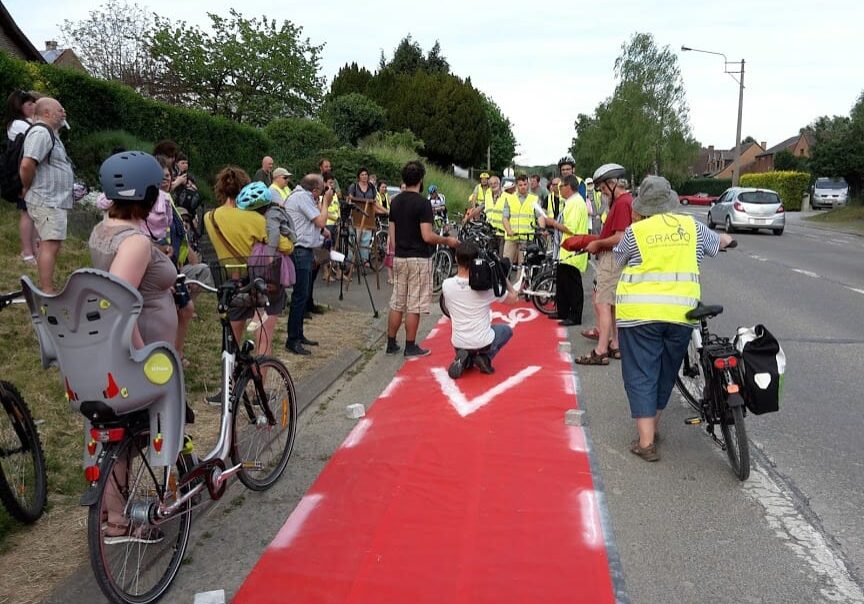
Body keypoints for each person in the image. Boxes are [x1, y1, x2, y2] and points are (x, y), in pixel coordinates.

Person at [615, 176, 733, 462]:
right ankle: (652, 430)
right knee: (666, 372)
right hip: (680, 315)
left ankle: (645, 442)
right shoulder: (692, 227)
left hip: (639, 315)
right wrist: (729, 240)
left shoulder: (636, 232)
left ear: (642, 206)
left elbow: (620, 259)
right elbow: (721, 241)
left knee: (642, 373)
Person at [204, 166, 294, 356]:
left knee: (232, 342)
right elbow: (287, 246)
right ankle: (258, 383)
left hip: (231, 282)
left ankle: (232, 383)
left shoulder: (209, 217)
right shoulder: (255, 218)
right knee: (264, 339)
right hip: (260, 281)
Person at [386, 160, 459, 357]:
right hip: (419, 257)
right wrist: (447, 240)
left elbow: (391, 237)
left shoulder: (396, 202)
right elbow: (427, 236)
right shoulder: (423, 203)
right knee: (414, 304)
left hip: (400, 256)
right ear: (420, 179)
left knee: (397, 301)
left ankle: (391, 343)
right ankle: (410, 346)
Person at [575, 164, 632, 366]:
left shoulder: (623, 203)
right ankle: (615, 344)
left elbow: (620, 236)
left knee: (602, 302)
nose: (602, 192)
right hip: (614, 257)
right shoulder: (621, 202)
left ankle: (601, 350)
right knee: (613, 305)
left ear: (613, 183)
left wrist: (598, 243)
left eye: (603, 188)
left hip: (612, 257)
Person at [19, 97, 74, 293]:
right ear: (47, 113)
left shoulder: (50, 133)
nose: (63, 112)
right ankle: (47, 291)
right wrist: (26, 186)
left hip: (53, 200)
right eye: (60, 110)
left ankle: (47, 287)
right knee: (50, 245)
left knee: (51, 244)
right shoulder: (41, 132)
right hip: (47, 199)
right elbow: (27, 164)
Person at [443, 241, 518, 378]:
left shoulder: (446, 285)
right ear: (477, 260)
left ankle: (465, 360)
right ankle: (485, 358)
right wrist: (501, 275)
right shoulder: (487, 289)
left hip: (458, 341)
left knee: (467, 340)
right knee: (506, 330)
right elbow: (514, 299)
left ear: (455, 258)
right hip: (482, 342)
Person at [284, 174, 331, 355]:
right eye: (321, 190)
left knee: (302, 295)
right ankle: (293, 339)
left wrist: (322, 231)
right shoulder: (302, 197)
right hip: (300, 250)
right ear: (315, 189)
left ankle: (298, 334)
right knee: (299, 296)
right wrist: (325, 202)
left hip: (306, 250)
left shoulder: (302, 197)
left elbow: (313, 223)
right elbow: (320, 220)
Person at [547, 174, 589, 326]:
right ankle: (563, 311)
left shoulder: (575, 203)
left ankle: (575, 315)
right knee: (563, 282)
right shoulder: (571, 202)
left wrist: (552, 223)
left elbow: (570, 228)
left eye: (561, 187)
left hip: (573, 249)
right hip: (566, 249)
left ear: (568, 187)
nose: (559, 190)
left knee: (573, 285)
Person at [4, 89, 39, 265]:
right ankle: (27, 251)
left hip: (32, 174)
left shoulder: (26, 122)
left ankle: (33, 248)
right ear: (19, 106)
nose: (34, 106)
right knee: (27, 212)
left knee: (33, 212)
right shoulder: (18, 124)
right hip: (22, 175)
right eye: (29, 104)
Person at [501, 174, 546, 265]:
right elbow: (505, 217)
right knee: (506, 263)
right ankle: (505, 279)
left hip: (526, 237)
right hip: (512, 236)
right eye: (520, 185)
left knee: (523, 265)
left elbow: (540, 216)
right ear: (516, 186)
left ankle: (521, 279)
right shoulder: (509, 198)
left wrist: (541, 230)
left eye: (525, 184)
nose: (523, 187)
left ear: (528, 184)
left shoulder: (534, 199)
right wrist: (509, 231)